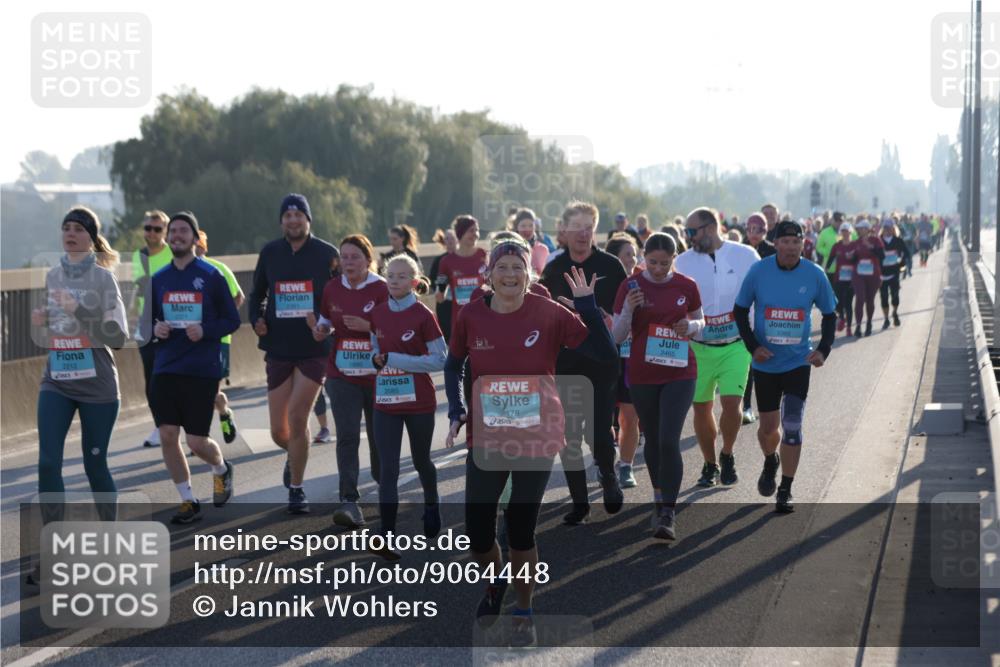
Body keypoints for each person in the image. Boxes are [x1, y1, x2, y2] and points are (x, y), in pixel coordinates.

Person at [444, 240, 616, 647]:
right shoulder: (470, 315)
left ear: (529, 274)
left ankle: (523, 607)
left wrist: (588, 307)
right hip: (486, 435)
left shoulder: (550, 313)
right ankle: (495, 581)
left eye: (517, 267)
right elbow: (453, 363)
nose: (509, 274)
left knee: (521, 531)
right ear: (489, 274)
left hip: (537, 436)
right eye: (501, 267)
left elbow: (606, 357)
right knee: (477, 533)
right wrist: (456, 407)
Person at [31, 206, 127, 542]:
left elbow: (117, 338)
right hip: (57, 380)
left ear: (91, 238)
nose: (70, 233)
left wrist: (79, 309)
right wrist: (43, 321)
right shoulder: (53, 275)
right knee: (47, 463)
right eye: (66, 227)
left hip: (97, 387)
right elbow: (57, 328)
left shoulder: (104, 280)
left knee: (95, 466)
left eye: (79, 229)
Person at [733, 220, 837, 513]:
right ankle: (770, 461)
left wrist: (823, 350)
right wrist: (754, 347)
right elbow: (740, 311)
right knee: (768, 428)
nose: (791, 247)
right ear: (776, 243)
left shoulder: (815, 275)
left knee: (792, 426)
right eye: (786, 242)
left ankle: (786, 489)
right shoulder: (759, 271)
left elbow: (830, 315)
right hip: (766, 364)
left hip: (797, 363)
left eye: (796, 242)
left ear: (803, 244)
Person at [249, 193, 340, 514]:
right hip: (278, 348)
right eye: (287, 215)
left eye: (298, 214)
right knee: (279, 431)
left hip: (314, 348)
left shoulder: (327, 254)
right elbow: (257, 294)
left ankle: (297, 490)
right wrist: (257, 320)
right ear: (281, 222)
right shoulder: (271, 253)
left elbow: (339, 295)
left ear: (308, 219)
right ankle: (295, 454)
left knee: (299, 417)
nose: (292, 220)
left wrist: (327, 325)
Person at [150, 212, 241, 523]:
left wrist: (205, 330)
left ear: (194, 238)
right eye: (172, 231)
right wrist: (155, 329)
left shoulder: (211, 275)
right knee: (167, 434)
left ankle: (220, 468)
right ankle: (188, 500)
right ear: (167, 237)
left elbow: (232, 319)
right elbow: (146, 322)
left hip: (201, 368)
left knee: (196, 441)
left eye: (183, 231)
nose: (177, 235)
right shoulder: (159, 278)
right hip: (165, 367)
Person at [613, 232, 704, 538]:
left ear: (674, 259)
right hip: (643, 373)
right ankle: (658, 494)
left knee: (668, 439)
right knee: (652, 439)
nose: (658, 268)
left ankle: (668, 512)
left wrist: (689, 327)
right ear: (643, 257)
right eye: (652, 262)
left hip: (680, 371)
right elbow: (616, 335)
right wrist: (629, 308)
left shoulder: (687, 285)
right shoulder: (630, 285)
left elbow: (701, 324)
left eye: (665, 263)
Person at [540, 201, 626, 524]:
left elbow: (625, 314)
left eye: (589, 227)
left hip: (602, 362)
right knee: (570, 435)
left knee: (600, 432)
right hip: (566, 363)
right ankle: (579, 502)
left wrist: (603, 317)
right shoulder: (553, 268)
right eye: (577, 227)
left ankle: (608, 473)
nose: (583, 234)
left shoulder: (612, 266)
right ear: (563, 231)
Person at [367, 254, 446, 559]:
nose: (394, 281)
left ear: (414, 281)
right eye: (390, 276)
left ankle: (431, 501)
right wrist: (377, 359)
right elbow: (376, 347)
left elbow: (440, 359)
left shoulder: (424, 315)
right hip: (386, 399)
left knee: (421, 459)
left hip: (419, 401)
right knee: (388, 469)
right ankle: (386, 536)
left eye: (401, 276)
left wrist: (397, 360)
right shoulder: (378, 313)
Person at [675, 208, 759, 488]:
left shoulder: (745, 255)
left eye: (692, 232)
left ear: (711, 228)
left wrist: (758, 335)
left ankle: (728, 453)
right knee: (701, 407)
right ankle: (710, 463)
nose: (688, 237)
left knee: (732, 405)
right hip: (698, 346)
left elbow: (760, 296)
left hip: (736, 345)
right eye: (686, 232)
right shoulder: (682, 262)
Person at [313, 234, 390, 528]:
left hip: (376, 375)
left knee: (377, 436)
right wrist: (320, 330)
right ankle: (349, 501)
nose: (348, 263)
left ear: (368, 260)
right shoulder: (332, 288)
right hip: (341, 374)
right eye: (344, 257)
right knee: (346, 436)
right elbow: (326, 321)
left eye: (354, 257)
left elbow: (397, 327)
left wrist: (370, 325)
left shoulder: (382, 289)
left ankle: (386, 488)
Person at [194, 231, 243, 444]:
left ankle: (222, 414)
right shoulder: (177, 272)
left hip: (218, 341)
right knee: (194, 389)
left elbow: (239, 297)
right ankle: (197, 433)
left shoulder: (218, 269)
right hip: (189, 340)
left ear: (204, 248)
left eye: (197, 245)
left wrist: (220, 321)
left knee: (209, 390)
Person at [131, 210, 173, 448]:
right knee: (151, 380)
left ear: (165, 231)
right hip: (145, 325)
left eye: (157, 229)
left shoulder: (172, 253)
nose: (152, 233)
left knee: (173, 378)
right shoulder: (138, 256)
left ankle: (184, 424)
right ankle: (160, 425)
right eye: (148, 228)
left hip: (171, 323)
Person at [604, 234, 642, 489]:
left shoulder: (643, 283)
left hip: (632, 359)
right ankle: (605, 462)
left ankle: (626, 466)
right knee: (604, 419)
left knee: (630, 416)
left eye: (635, 254)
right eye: (627, 254)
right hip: (604, 359)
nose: (632, 259)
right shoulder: (603, 283)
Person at [436, 215, 488, 338]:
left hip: (483, 318)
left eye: (477, 230)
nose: (475, 234)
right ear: (460, 233)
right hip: (460, 321)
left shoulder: (484, 255)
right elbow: (439, 297)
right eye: (471, 230)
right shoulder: (447, 261)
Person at [848, 219, 884, 337]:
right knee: (860, 298)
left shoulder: (876, 240)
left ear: (867, 229)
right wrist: (851, 256)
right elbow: (853, 260)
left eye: (861, 228)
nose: (859, 230)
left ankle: (869, 323)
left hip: (873, 274)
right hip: (859, 275)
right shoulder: (856, 242)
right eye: (858, 228)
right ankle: (858, 325)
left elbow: (881, 255)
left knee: (870, 300)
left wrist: (871, 246)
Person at [878, 218, 911, 329]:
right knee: (883, 297)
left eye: (889, 228)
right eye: (885, 228)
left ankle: (895, 313)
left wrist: (901, 260)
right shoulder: (879, 241)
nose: (887, 230)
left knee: (895, 296)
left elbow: (906, 253)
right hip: (882, 274)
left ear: (893, 229)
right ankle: (886, 319)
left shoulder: (898, 241)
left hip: (894, 272)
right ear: (883, 229)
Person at [825, 222, 857, 336]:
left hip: (851, 279)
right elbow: (830, 259)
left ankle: (849, 328)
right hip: (839, 278)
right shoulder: (837, 246)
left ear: (850, 232)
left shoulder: (854, 245)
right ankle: (842, 318)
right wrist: (826, 269)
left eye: (847, 232)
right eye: (843, 232)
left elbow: (859, 259)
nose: (845, 234)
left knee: (848, 302)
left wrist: (853, 258)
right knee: (838, 302)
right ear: (840, 233)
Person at [428, 228, 458, 342]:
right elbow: (432, 278)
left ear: (457, 239)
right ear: (443, 241)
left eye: (452, 238)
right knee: (447, 332)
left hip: (462, 301)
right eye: (447, 238)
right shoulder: (439, 260)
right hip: (445, 303)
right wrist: (440, 289)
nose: (449, 241)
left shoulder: (463, 258)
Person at [511, 208, 549, 274]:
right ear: (517, 227)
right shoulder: (510, 248)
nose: (527, 229)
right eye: (523, 226)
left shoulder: (543, 249)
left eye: (531, 225)